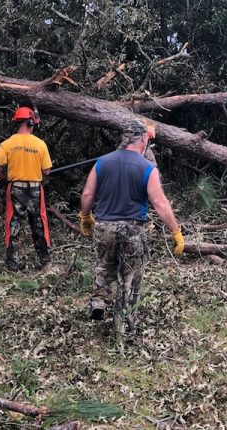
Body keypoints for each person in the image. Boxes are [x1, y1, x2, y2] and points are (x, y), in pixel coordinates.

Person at [79, 119, 184, 334]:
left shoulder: (102, 162)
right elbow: (160, 203)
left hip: (104, 226)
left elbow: (88, 193)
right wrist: (176, 231)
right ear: (144, 138)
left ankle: (99, 299)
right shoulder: (147, 167)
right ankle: (125, 323)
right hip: (132, 229)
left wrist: (86, 216)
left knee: (104, 264)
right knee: (129, 277)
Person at [0, 106, 52, 272]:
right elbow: (46, 171)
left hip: (15, 188)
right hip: (35, 189)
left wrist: (2, 176)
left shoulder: (9, 143)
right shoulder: (40, 144)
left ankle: (12, 265)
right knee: (39, 224)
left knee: (13, 224)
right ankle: (45, 262)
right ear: (31, 122)